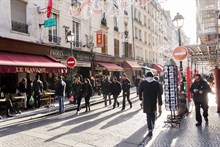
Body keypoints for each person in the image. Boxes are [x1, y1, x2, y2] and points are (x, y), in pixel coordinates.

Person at [139, 72, 162, 137]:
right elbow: (159, 94)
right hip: (153, 101)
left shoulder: (143, 83)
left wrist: (140, 98)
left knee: (148, 115)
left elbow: (140, 91)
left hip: (146, 101)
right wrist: (160, 102)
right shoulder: (156, 83)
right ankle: (153, 123)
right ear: (152, 76)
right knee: (153, 113)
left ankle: (150, 130)